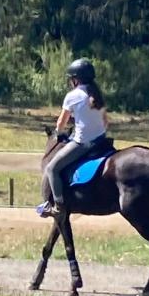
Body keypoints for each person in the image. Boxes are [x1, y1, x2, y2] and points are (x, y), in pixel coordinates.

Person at [37, 58, 109, 217]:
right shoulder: (97, 95)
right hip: (102, 141)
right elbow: (105, 121)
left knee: (52, 168)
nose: (71, 81)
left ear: (76, 79)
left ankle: (58, 205)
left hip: (83, 143)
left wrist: (57, 132)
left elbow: (62, 122)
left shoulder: (73, 96)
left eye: (71, 78)